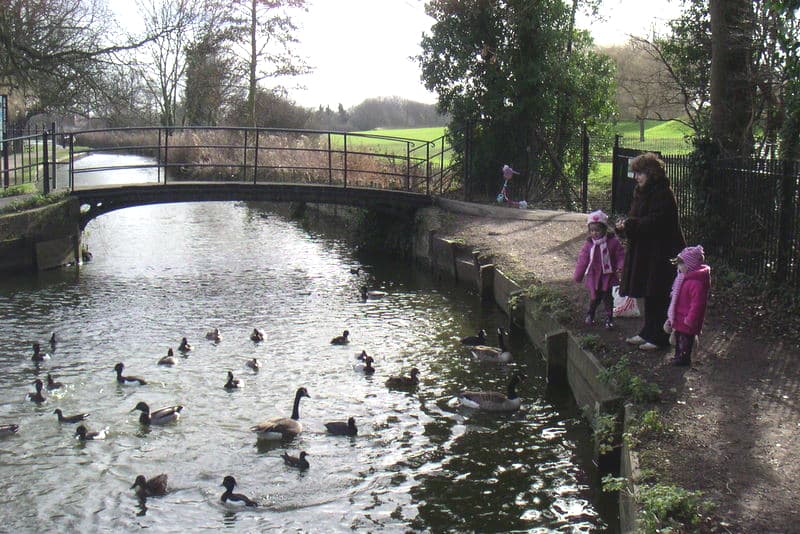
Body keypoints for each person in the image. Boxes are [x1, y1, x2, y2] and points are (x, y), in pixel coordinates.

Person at [616, 152, 686, 350]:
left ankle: (660, 337)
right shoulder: (641, 192)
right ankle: (647, 331)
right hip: (645, 251)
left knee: (658, 293)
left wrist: (631, 225)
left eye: (640, 174)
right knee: (647, 294)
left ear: (651, 173)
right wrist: (625, 226)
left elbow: (657, 222)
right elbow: (637, 219)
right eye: (636, 173)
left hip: (661, 252)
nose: (637, 178)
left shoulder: (662, 193)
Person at [573, 210, 625, 329]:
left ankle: (609, 318)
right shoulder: (589, 244)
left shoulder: (613, 243)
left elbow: (620, 255)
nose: (594, 233)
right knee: (594, 296)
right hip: (594, 275)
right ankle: (590, 314)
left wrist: (620, 266)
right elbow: (583, 260)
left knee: (607, 297)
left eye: (597, 230)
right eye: (592, 230)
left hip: (607, 275)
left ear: (604, 229)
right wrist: (578, 275)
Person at [663, 245, 711, 366]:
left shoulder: (695, 283)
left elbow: (697, 304)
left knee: (685, 340)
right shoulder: (682, 279)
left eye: (681, 264)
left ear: (689, 265)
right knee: (679, 338)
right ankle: (678, 355)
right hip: (680, 317)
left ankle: (683, 359)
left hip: (687, 319)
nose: (678, 267)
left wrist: (691, 318)